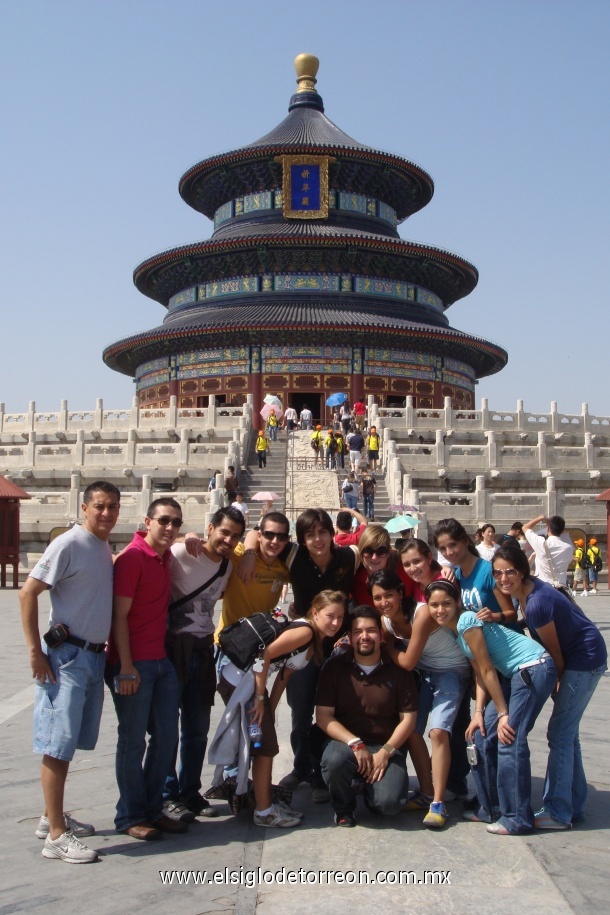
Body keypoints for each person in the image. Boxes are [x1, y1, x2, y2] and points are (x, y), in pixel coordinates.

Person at [19, 482, 121, 864]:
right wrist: (34, 653)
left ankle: (52, 817)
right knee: (56, 745)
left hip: (93, 657)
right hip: (67, 656)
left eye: (113, 507)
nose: (106, 514)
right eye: (99, 506)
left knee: (71, 741)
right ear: (84, 507)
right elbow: (28, 592)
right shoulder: (69, 543)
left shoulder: (101, 547)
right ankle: (57, 837)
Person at [426, 579, 557, 835]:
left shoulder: (466, 622)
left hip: (532, 667)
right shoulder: (457, 630)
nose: (440, 610)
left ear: (457, 603)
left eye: (446, 604)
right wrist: (478, 714)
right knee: (480, 736)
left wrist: (503, 713)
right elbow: (479, 675)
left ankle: (517, 818)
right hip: (518, 674)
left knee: (510, 740)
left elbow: (487, 670)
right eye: (434, 605)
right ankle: (491, 808)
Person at [491, 544, 607, 829]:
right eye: (497, 573)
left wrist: (557, 684)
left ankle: (557, 811)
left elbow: (555, 654)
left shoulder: (537, 602)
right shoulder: (524, 592)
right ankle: (574, 803)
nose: (503, 579)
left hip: (583, 659)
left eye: (510, 572)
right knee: (568, 733)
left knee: (560, 732)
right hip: (580, 653)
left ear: (522, 571)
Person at [106, 497, 185, 841]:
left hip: (160, 661)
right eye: (164, 521)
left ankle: (153, 808)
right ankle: (130, 814)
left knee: (167, 736)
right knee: (132, 740)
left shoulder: (165, 555)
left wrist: (189, 536)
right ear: (147, 521)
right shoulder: (132, 558)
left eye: (176, 523)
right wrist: (125, 666)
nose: (169, 528)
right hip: (132, 663)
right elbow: (118, 616)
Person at [370, 565, 470, 830]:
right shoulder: (387, 620)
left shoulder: (422, 612)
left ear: (400, 593)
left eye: (388, 595)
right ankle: (427, 791)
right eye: (377, 598)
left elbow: (406, 661)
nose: (383, 602)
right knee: (413, 731)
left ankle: (438, 803)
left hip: (450, 672)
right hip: (426, 674)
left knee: (438, 732)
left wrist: (387, 647)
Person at [163, 507, 245, 822]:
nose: (228, 539)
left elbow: (251, 545)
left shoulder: (227, 565)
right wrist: (187, 535)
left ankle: (189, 792)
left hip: (202, 649)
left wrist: (246, 552)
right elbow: (149, 548)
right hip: (172, 650)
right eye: (224, 532)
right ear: (210, 528)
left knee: (197, 728)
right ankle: (167, 794)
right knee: (167, 727)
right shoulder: (181, 551)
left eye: (235, 536)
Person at [244, 591, 347, 827]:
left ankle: (264, 802)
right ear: (314, 612)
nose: (335, 623)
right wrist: (259, 696)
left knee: (263, 743)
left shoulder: (315, 639)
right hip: (242, 683)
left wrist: (268, 707)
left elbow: (284, 675)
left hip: (252, 685)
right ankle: (263, 811)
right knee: (265, 748)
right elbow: (264, 653)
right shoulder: (305, 632)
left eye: (340, 617)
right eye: (330, 615)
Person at [316, 605, 418, 827]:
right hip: (346, 744)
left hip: (385, 746)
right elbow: (323, 717)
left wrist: (386, 752)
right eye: (358, 631)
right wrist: (355, 744)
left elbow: (408, 720)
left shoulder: (399, 670)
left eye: (371, 630)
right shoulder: (334, 667)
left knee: (389, 805)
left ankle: (369, 789)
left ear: (381, 635)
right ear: (349, 637)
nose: (365, 636)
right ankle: (344, 808)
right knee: (334, 761)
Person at [398, 538, 472, 807]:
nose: (412, 567)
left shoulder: (442, 583)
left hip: (451, 667)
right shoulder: (416, 584)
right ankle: (434, 786)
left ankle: (446, 791)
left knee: (442, 730)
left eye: (417, 561)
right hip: (426, 667)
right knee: (418, 729)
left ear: (429, 558)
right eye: (407, 564)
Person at [433, 518, 516, 625]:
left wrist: (494, 616)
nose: (449, 552)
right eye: (443, 549)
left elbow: (512, 614)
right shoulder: (457, 576)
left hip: (505, 638)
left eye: (453, 545)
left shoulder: (488, 571)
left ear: (465, 541)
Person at [522, 514, 574, 585]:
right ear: (562, 530)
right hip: (560, 588)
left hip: (543, 586)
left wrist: (541, 518)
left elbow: (525, 528)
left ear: (548, 529)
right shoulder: (569, 548)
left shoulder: (540, 543)